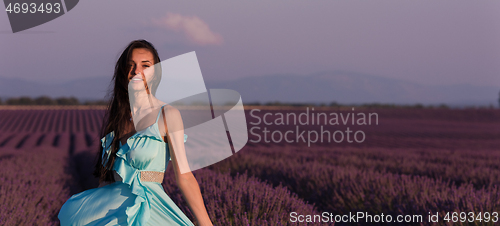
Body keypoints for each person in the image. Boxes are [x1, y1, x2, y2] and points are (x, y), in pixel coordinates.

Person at [58, 40, 213, 226]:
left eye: (145, 65)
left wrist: (206, 224)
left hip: (149, 209)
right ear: (123, 72)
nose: (136, 71)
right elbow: (106, 181)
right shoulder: (117, 119)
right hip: (113, 213)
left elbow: (185, 176)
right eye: (130, 65)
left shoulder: (167, 115)